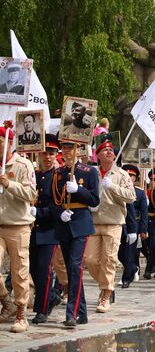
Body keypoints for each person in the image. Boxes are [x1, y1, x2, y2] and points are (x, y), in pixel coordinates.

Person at [52, 141, 100, 328]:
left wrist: (78, 190)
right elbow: (53, 200)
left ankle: (71, 313)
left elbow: (95, 200)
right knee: (72, 270)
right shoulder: (58, 173)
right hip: (64, 222)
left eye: (71, 147)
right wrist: (59, 213)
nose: (67, 151)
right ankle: (82, 312)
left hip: (80, 222)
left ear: (78, 150)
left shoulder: (89, 172)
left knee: (74, 266)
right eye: (64, 148)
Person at [85, 141, 136, 313]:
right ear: (97, 156)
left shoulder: (121, 174)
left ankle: (105, 294)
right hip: (93, 221)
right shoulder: (91, 173)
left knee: (109, 259)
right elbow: (84, 193)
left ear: (115, 156)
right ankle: (107, 285)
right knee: (90, 260)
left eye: (110, 150)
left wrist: (112, 186)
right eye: (103, 150)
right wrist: (88, 203)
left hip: (113, 221)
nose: (108, 152)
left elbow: (131, 196)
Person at [0, 124, 37, 333]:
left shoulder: (23, 165)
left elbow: (31, 194)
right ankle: (6, 301)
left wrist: (9, 185)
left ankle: (21, 312)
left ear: (8, 143)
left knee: (19, 272)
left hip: (18, 226)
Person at [29, 135, 62, 325]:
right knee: (34, 269)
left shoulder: (58, 176)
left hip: (49, 229)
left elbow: (59, 205)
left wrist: (39, 211)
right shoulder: (34, 175)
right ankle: (51, 297)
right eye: (45, 153)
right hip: (33, 229)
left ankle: (41, 310)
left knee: (44, 270)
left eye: (51, 153)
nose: (48, 157)